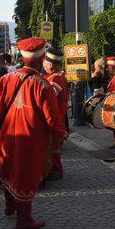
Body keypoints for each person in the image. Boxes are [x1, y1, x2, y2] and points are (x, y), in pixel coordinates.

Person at [0, 37, 67, 229]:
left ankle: (9, 206)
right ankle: (24, 219)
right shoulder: (42, 85)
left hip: (6, 135)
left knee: (8, 169)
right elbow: (52, 118)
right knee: (26, 175)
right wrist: (61, 134)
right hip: (30, 140)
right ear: (42, 58)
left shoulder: (5, 79)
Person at [43, 48, 68, 180]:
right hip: (54, 117)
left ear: (51, 65)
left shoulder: (56, 78)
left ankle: (56, 170)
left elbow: (49, 98)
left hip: (54, 118)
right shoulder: (52, 77)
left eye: (45, 62)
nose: (43, 64)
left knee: (54, 146)